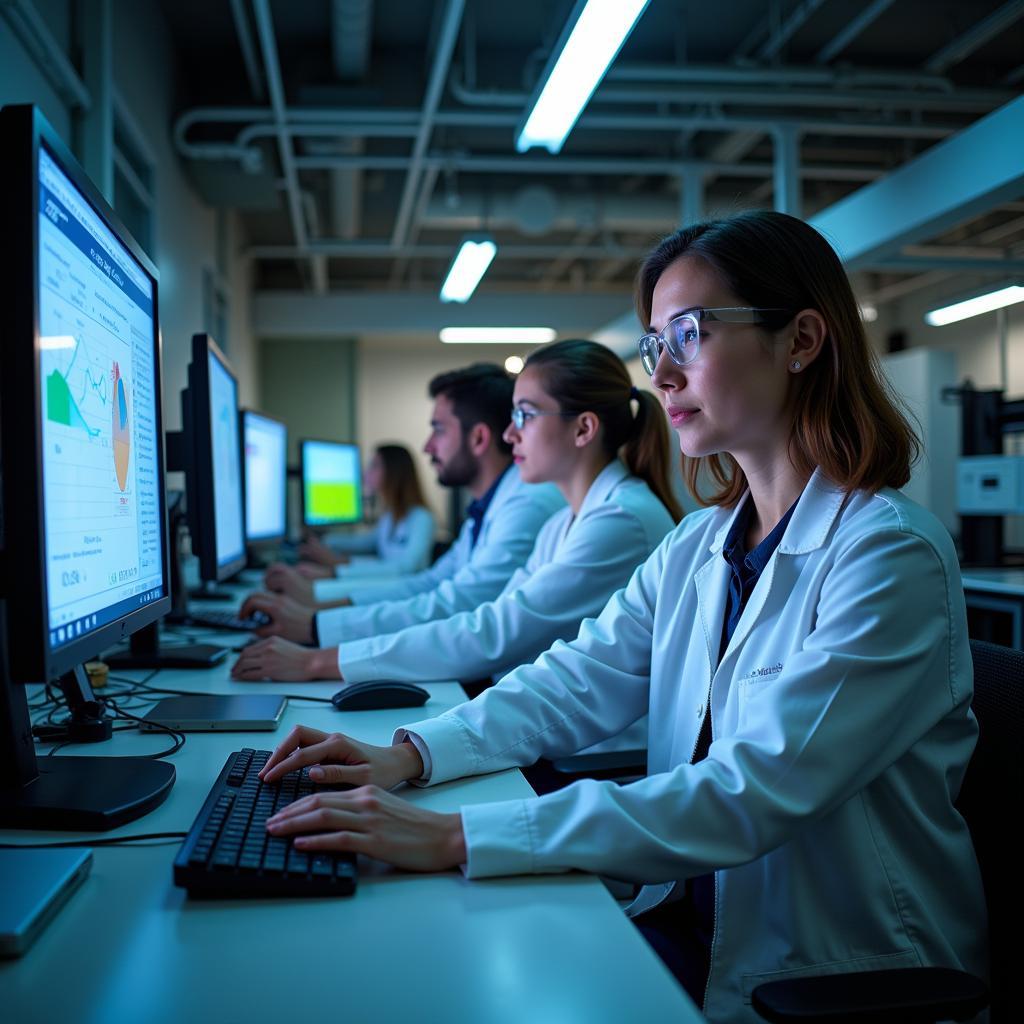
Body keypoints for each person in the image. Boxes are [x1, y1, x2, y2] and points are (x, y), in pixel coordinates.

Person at [251, 211, 986, 1022]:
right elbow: (576, 680)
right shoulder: (703, 542)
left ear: (802, 340)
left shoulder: (889, 556)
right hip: (689, 919)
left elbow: (753, 792)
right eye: (654, 344)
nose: (663, 374)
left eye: (690, 334)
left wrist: (458, 834)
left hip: (827, 978)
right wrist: (410, 754)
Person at [231, 340, 681, 683]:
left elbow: (493, 629)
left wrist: (317, 652)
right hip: (550, 724)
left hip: (589, 756)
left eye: (525, 415)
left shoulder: (615, 519)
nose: (510, 434)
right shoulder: (565, 520)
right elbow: (471, 608)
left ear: (583, 428)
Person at [239, 364, 563, 645]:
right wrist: (319, 605)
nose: (426, 447)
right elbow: (431, 583)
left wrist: (315, 624)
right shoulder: (487, 509)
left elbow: (457, 605)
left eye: (437, 430)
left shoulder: (526, 507)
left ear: (478, 438)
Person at [286, 444, 435, 582]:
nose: (366, 472)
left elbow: (406, 568)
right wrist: (324, 540)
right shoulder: (390, 515)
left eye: (374, 466)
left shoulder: (421, 518)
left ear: (394, 472)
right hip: (390, 584)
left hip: (405, 589)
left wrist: (337, 565)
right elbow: (366, 542)